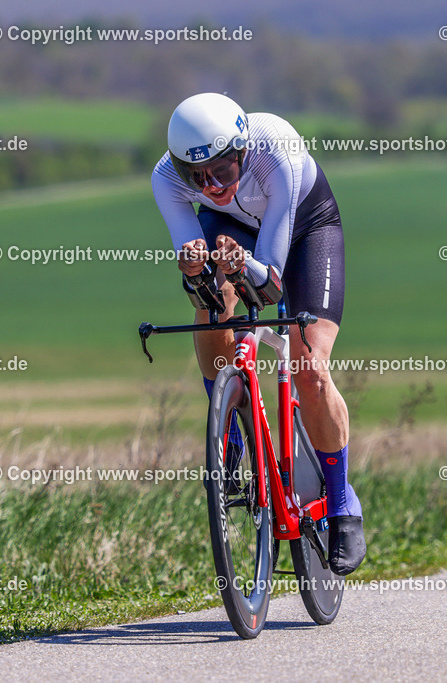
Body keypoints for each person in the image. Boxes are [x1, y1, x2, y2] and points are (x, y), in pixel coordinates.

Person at [151, 92, 365, 575]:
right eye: (197, 178)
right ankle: (228, 433)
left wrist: (241, 263)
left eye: (223, 173)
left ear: (242, 151)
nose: (211, 185)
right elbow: (195, 277)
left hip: (306, 229)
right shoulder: (166, 178)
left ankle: (340, 501)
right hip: (231, 232)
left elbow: (269, 283)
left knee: (309, 366)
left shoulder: (275, 150)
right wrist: (195, 273)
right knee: (212, 305)